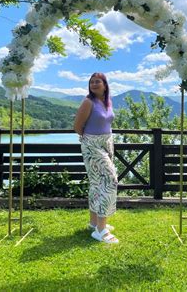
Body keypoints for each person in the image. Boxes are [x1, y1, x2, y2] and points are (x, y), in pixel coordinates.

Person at [74, 72, 119, 244]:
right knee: (110, 180)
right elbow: (77, 126)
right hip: (92, 144)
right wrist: (90, 142)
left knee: (96, 182)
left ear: (105, 85)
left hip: (107, 142)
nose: (93, 84)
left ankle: (94, 222)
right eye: (91, 82)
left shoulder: (107, 101)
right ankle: (101, 230)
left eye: (97, 81)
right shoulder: (88, 102)